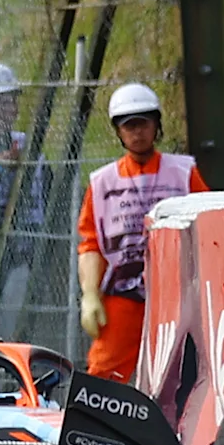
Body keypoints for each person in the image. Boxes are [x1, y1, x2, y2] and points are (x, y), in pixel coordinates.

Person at [74, 81, 207, 381]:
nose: (137, 132)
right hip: (123, 293)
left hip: (178, 294)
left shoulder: (184, 172)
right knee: (104, 373)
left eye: (143, 123)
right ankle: (100, 428)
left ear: (157, 125)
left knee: (181, 374)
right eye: (129, 125)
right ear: (118, 131)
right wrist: (90, 295)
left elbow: (208, 224)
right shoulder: (102, 183)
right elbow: (91, 243)